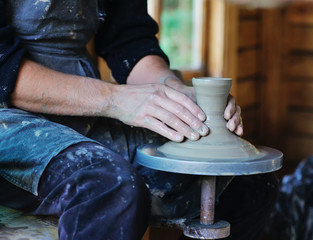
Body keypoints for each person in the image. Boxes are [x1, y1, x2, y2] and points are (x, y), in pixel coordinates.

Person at [0, 1, 278, 239]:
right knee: (108, 187)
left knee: (246, 184)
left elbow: (129, 40)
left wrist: (174, 91)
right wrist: (114, 99)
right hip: (7, 114)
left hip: (82, 104)